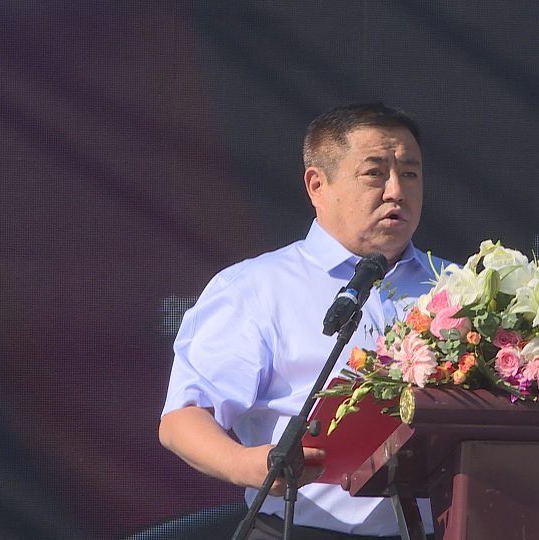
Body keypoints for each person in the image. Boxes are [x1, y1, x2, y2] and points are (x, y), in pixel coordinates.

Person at [158, 103, 441, 540]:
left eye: (410, 173)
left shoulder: (460, 288)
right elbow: (184, 417)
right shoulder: (255, 288)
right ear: (317, 185)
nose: (396, 191)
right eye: (374, 173)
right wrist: (248, 465)